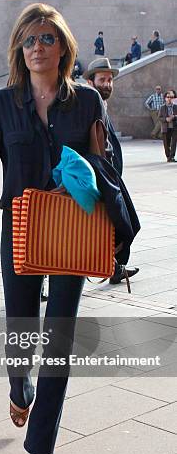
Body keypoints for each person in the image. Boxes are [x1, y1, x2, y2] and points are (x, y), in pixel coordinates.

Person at [0, 3, 108, 454]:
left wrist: (88, 191)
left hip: (71, 228)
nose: (37, 47)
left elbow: (106, 166)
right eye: (29, 40)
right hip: (18, 227)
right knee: (22, 326)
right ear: (19, 49)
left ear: (63, 46)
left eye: (47, 38)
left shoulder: (86, 102)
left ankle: (41, 444)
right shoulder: (2, 103)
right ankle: (20, 390)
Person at [84, 56, 139, 285]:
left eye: (109, 80)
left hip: (108, 176)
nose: (107, 84)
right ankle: (44, 278)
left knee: (109, 226)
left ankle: (115, 267)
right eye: (102, 79)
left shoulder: (100, 103)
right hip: (97, 179)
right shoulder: (86, 105)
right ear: (90, 82)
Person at [158, 90, 177, 162]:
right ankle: (168, 156)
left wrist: (174, 117)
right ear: (165, 98)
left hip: (174, 127)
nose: (169, 98)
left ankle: (172, 157)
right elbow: (159, 117)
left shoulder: (175, 106)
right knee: (166, 144)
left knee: (174, 143)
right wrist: (166, 119)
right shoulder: (162, 107)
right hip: (165, 128)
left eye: (171, 97)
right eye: (168, 97)